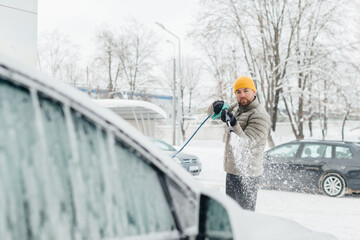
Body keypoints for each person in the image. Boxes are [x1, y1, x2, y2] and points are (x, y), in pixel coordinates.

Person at [207, 76, 271, 211]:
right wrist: (215, 107)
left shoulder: (260, 115)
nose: (242, 95)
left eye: (246, 91)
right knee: (231, 212)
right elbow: (213, 115)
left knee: (245, 215)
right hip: (232, 170)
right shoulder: (237, 107)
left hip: (248, 174)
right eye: (238, 92)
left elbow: (247, 143)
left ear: (254, 92)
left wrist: (234, 123)